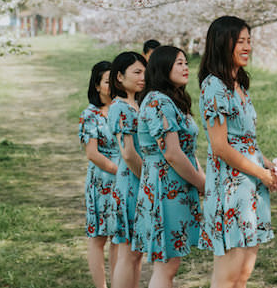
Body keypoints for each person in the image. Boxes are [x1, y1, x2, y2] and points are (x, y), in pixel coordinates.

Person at [198, 16, 277, 288]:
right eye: (241, 41)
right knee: (227, 277)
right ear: (224, 43)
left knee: (243, 275)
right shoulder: (214, 86)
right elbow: (220, 146)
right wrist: (262, 173)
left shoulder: (240, 85)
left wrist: (270, 167)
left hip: (251, 184)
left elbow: (246, 140)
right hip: (230, 188)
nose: (248, 47)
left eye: (250, 41)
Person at [132, 46, 205, 288]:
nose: (186, 68)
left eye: (186, 63)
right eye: (179, 63)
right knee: (167, 265)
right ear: (163, 68)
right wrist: (200, 182)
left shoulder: (171, 99)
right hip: (165, 187)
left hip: (177, 184)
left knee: (170, 264)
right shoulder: (157, 102)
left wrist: (199, 178)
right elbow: (172, 154)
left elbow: (187, 149)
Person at [78, 60, 120, 288]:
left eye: (114, 80)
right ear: (96, 86)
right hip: (102, 181)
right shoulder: (90, 114)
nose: (111, 85)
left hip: (123, 181)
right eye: (106, 81)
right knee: (98, 237)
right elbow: (92, 153)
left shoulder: (121, 108)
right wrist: (119, 170)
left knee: (118, 236)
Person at [107, 52, 147, 288]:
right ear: (119, 77)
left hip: (140, 180)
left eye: (144, 72)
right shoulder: (120, 108)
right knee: (128, 253)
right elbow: (128, 153)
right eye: (137, 72)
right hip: (132, 181)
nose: (143, 77)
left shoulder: (139, 104)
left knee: (137, 252)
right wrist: (149, 180)